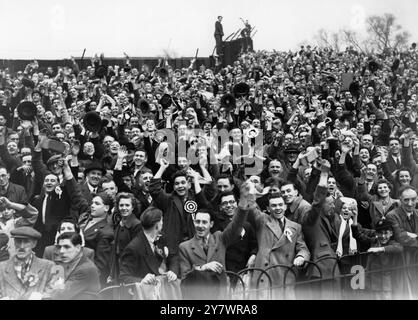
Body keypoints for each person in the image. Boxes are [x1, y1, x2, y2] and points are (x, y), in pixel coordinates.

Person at [178, 181, 252, 299]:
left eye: (204, 222)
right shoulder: (185, 247)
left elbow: (236, 225)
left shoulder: (219, 238)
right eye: (197, 222)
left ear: (211, 224)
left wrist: (243, 200)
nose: (200, 225)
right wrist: (202, 268)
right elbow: (184, 279)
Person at [247, 192, 310, 299]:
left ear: (285, 206)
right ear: (268, 208)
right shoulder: (262, 220)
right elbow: (252, 208)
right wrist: (250, 192)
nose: (278, 208)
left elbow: (303, 248)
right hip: (265, 276)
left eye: (280, 204)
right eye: (274, 205)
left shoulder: (295, 227)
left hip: (285, 277)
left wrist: (301, 256)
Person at [119, 206, 178, 285]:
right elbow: (124, 277)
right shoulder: (133, 248)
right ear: (157, 225)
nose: (163, 223)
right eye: (161, 220)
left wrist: (173, 271)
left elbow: (173, 257)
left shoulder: (161, 237)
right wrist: (142, 281)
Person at [0, 226, 56, 300]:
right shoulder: (1, 267)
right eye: (18, 241)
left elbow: (57, 293)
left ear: (34, 244)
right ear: (14, 243)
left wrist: (41, 297)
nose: (21, 246)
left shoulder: (49, 266)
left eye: (26, 241)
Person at [50, 232, 100, 300]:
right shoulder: (71, 262)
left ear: (78, 248)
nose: (61, 251)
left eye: (66, 247)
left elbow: (60, 296)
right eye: (59, 247)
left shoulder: (85, 269)